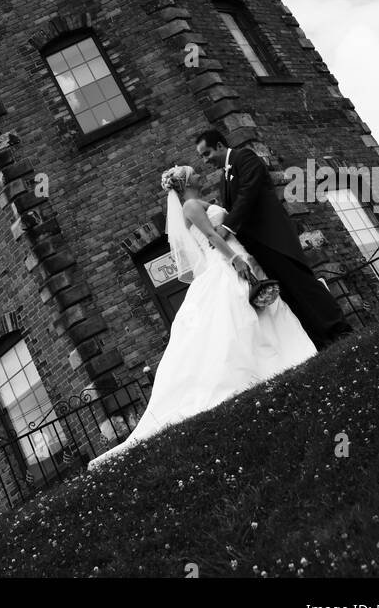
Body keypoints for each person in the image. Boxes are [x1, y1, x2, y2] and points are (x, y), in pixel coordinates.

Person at [87, 164, 315, 470]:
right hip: (225, 262)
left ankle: (280, 355)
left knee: (252, 312)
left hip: (235, 256)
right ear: (184, 183)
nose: (198, 174)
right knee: (236, 318)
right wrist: (236, 261)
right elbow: (210, 236)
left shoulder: (196, 202)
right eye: (192, 173)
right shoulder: (192, 205)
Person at [195, 129, 352, 349]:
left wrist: (226, 227)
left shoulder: (245, 157)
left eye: (206, 153)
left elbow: (248, 193)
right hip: (257, 245)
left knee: (301, 282)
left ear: (220, 146)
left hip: (273, 236)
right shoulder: (224, 177)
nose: (205, 160)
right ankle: (319, 340)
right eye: (202, 156)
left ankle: (339, 329)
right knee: (286, 291)